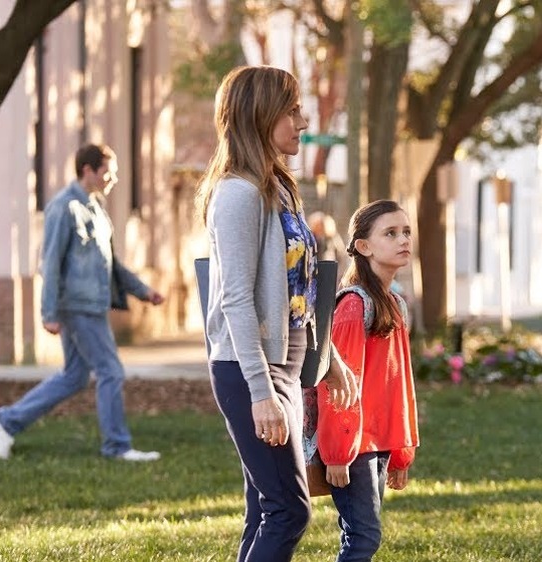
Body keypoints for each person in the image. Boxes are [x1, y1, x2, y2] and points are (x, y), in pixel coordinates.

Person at [195, 65, 357, 562]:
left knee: (264, 509)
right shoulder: (238, 193)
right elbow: (236, 299)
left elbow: (298, 293)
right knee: (289, 509)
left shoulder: (278, 188)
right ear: (259, 115)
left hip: (284, 366)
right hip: (250, 372)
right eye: (291, 110)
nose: (303, 120)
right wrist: (261, 392)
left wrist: (325, 361)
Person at [0, 143, 164, 462]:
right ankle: (117, 446)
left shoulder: (96, 207)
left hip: (93, 304)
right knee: (111, 371)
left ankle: (6, 422)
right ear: (88, 170)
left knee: (74, 376)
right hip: (76, 307)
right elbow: (50, 262)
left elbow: (110, 263)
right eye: (108, 171)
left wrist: (142, 290)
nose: (113, 178)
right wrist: (47, 313)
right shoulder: (64, 207)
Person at [316, 199, 420, 562]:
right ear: (364, 246)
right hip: (353, 445)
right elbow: (336, 387)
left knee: (361, 536)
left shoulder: (395, 303)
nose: (403, 239)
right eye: (390, 233)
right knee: (364, 538)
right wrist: (337, 453)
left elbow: (400, 386)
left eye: (406, 231)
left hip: (378, 444)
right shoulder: (354, 306)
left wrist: (401, 450)